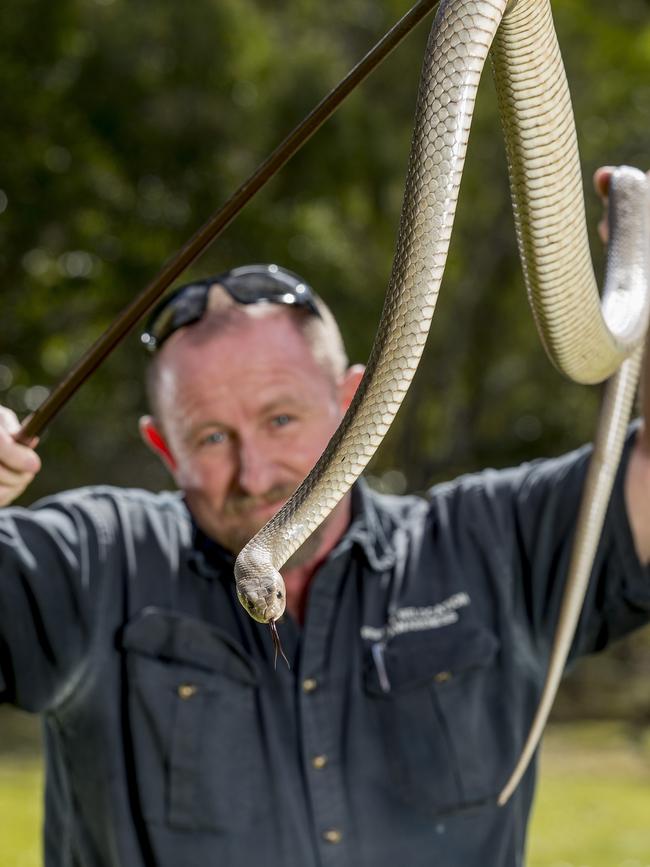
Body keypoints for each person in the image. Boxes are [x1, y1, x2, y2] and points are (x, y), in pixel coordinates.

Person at [0, 174, 648, 867]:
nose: (256, 472)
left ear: (350, 401)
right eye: (212, 437)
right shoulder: (95, 561)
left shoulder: (488, 540)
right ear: (164, 447)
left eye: (281, 418)